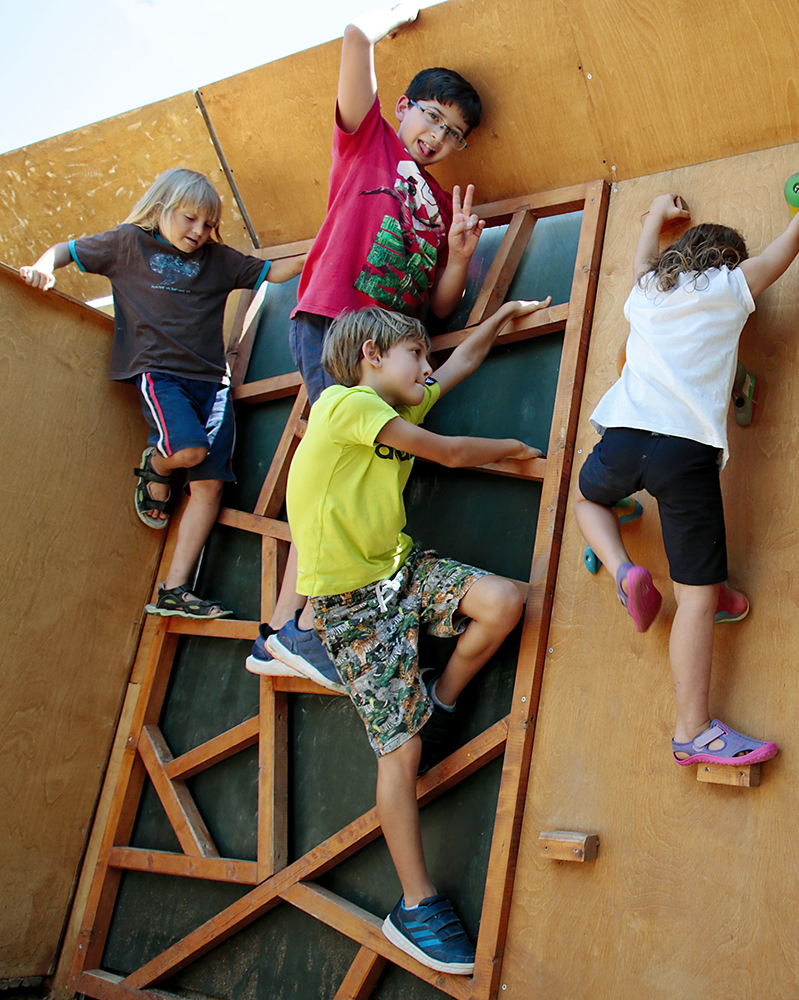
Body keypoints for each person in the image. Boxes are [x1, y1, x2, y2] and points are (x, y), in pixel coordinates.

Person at [287, 298, 546, 971]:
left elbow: (459, 365)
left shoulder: (393, 408)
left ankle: (443, 697)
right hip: (351, 609)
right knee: (398, 758)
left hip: (398, 574)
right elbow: (451, 453)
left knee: (502, 601)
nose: (425, 368)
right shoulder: (345, 405)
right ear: (371, 356)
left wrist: (502, 318)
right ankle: (415, 904)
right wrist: (518, 450)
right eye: (414, 356)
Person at [248, 1, 490, 683]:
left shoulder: (441, 208)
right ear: (406, 108)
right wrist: (386, 16)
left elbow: (435, 308)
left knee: (350, 470)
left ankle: (279, 630)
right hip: (335, 326)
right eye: (432, 117)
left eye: (455, 133)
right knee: (341, 465)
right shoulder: (369, 144)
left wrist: (462, 258)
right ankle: (293, 627)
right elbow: (354, 41)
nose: (438, 137)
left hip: (387, 349)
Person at [574, 163, 799, 769]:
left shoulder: (646, 292)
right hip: (684, 452)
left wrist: (656, 217)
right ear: (728, 262)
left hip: (622, 437)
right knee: (691, 599)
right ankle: (692, 721)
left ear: (679, 257)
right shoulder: (730, 288)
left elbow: (641, 257)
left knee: (588, 502)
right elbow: (794, 239)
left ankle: (621, 571)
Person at [20, 167, 304, 619]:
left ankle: (175, 589)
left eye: (209, 224)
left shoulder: (217, 259)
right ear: (162, 208)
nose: (200, 231)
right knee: (186, 450)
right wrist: (41, 267)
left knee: (210, 486)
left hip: (213, 383)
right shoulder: (127, 244)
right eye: (191, 218)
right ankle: (154, 464)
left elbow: (274, 271)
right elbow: (67, 250)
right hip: (160, 374)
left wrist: (327, 244)